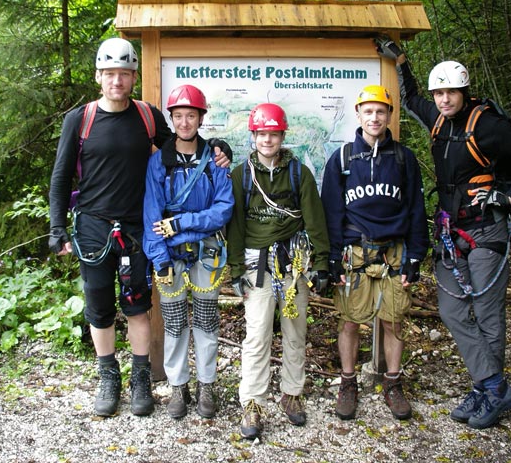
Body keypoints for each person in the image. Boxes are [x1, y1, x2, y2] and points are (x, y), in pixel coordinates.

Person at [376, 36, 511, 429]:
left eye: (450, 92)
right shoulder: (438, 120)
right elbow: (410, 99)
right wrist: (400, 62)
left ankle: (487, 390)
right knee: (453, 310)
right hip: (451, 230)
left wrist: (509, 198)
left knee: (488, 314)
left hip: (486, 230)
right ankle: (493, 386)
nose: (443, 99)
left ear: (464, 91)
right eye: (439, 92)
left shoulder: (487, 125)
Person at [48, 38, 231, 418]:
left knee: (136, 305)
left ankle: (141, 378)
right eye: (110, 73)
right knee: (98, 305)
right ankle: (108, 376)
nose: (117, 80)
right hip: (93, 227)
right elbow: (61, 176)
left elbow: (183, 148)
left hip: (136, 227)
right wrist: (57, 228)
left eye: (125, 74)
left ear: (134, 77)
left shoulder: (147, 116)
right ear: (99, 77)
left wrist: (218, 147)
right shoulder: (79, 120)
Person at [321, 85, 429, 421]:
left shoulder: (403, 158)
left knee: (393, 320)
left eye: (380, 111)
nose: (374, 117)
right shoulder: (341, 159)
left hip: (394, 252)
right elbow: (331, 212)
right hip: (354, 253)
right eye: (368, 111)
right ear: (358, 114)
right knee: (350, 321)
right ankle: (348, 382)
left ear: (389, 116)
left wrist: (416, 257)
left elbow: (415, 208)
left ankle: (393, 382)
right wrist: (330, 256)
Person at [226, 103, 330, 439]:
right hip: (257, 264)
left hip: (293, 263)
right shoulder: (242, 175)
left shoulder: (299, 173)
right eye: (262, 134)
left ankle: (292, 393)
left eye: (273, 134)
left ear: (282, 135)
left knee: (295, 330)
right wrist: (236, 269)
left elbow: (315, 220)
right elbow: (236, 226)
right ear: (253, 136)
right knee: (257, 335)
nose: (267, 139)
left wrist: (321, 264)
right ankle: (253, 402)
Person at [142, 84, 234, 420]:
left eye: (190, 115)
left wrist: (181, 224)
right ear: (172, 118)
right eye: (178, 116)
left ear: (200, 118)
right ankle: (178, 386)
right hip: (169, 254)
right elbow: (151, 217)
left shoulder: (215, 161)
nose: (184, 122)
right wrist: (160, 258)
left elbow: (223, 209)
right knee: (175, 323)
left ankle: (206, 384)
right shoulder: (158, 163)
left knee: (207, 321)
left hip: (206, 253)